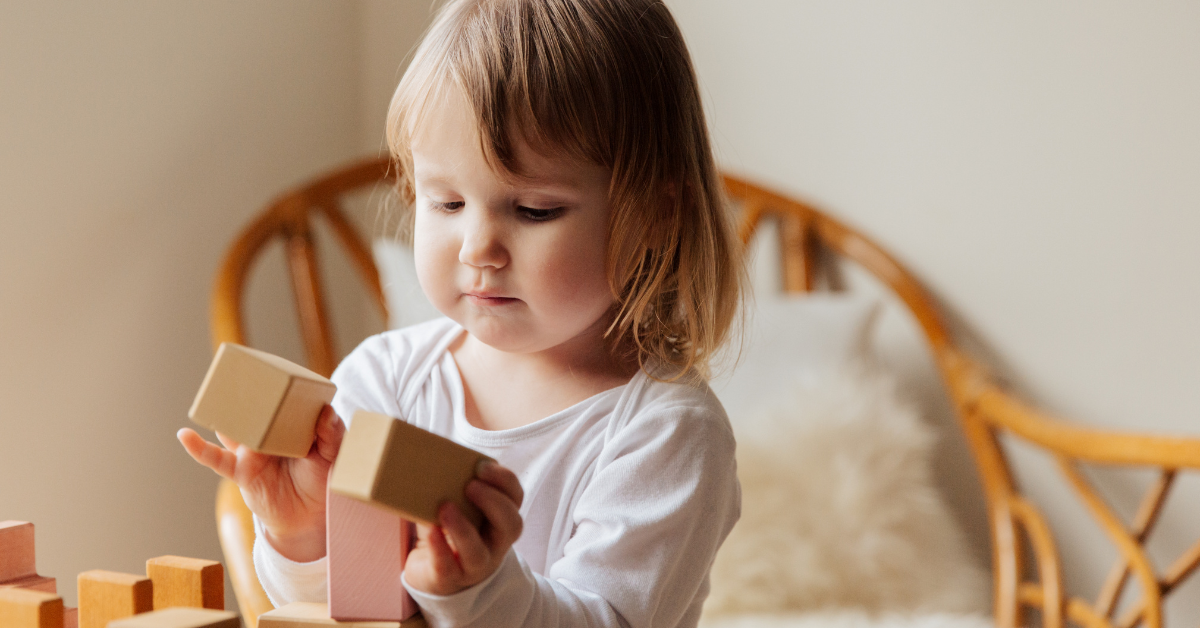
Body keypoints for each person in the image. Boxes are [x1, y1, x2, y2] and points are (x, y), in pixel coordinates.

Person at [179, 0, 745, 626]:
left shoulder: (667, 434)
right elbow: (339, 610)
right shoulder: (385, 378)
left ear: (656, 214)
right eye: (445, 203)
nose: (478, 249)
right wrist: (301, 534)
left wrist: (480, 593)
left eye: (534, 210)